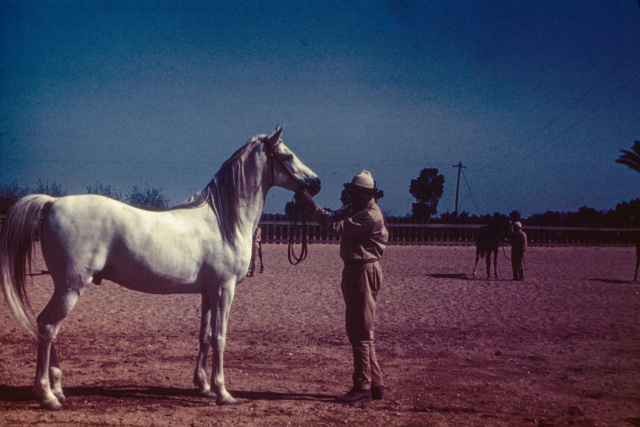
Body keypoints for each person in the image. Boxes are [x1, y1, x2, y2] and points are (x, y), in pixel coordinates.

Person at [296, 170, 388, 404]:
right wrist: (313, 208)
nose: (350, 195)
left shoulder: (369, 216)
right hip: (357, 270)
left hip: (363, 271)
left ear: (365, 194)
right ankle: (375, 384)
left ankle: (362, 386)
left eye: (355, 192)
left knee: (359, 331)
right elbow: (333, 216)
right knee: (363, 330)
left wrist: (311, 206)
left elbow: (334, 226)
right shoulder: (358, 209)